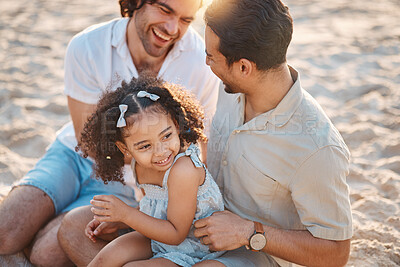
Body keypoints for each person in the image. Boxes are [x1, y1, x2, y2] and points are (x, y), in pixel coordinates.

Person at [0, 0, 219, 266]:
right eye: (165, 9)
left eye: (186, 20)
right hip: (74, 154)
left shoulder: (200, 63)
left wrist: (126, 210)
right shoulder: (88, 45)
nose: (172, 28)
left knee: (45, 255)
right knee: (6, 232)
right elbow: (85, 138)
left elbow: (196, 146)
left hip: (135, 174)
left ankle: (46, 226)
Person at [192, 0, 353, 266]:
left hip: (258, 253)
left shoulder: (317, 148)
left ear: (244, 67)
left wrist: (248, 232)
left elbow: (336, 253)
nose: (206, 61)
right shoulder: (230, 87)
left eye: (211, 56)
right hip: (201, 222)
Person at [76, 76, 224, 267]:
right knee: (105, 259)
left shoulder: (183, 170)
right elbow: (154, 208)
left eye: (167, 136)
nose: (160, 151)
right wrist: (119, 221)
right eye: (145, 146)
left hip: (194, 247)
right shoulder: (140, 166)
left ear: (176, 126)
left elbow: (177, 234)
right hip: (160, 236)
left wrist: (126, 214)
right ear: (125, 149)